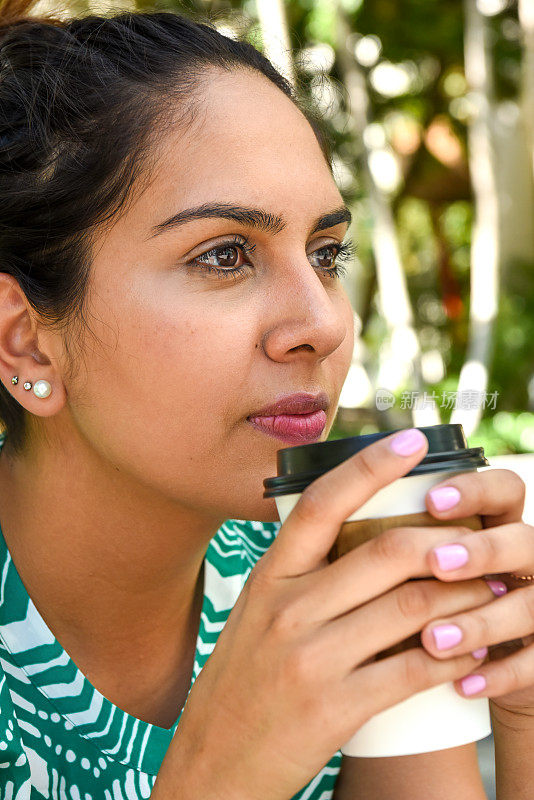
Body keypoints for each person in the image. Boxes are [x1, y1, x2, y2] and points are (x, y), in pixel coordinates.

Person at [0, 1, 533, 798]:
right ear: (25, 340)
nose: (320, 323)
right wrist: (219, 775)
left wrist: (522, 715)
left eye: (326, 253)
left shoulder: (338, 588)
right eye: (224, 255)